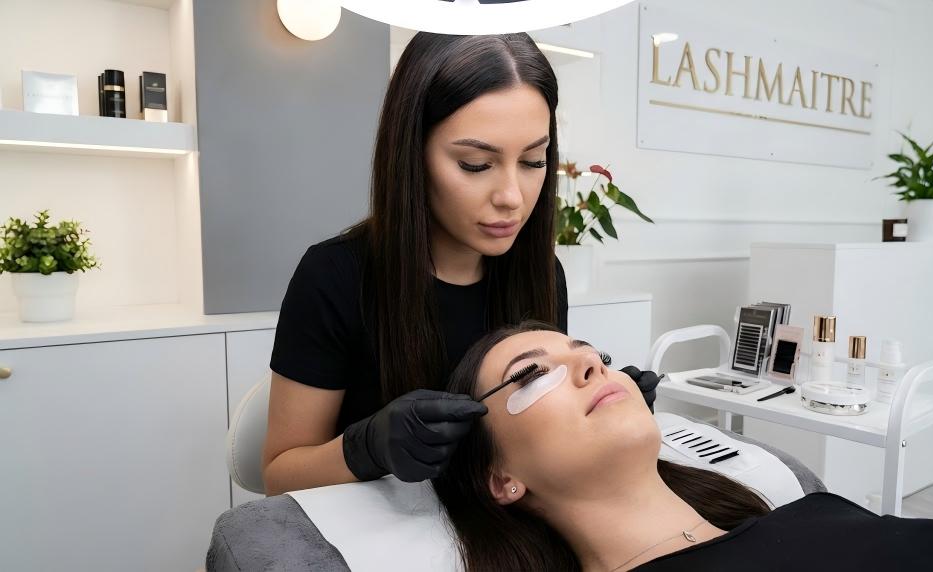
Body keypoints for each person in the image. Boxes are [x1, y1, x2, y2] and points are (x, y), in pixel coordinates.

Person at [261, 32, 661, 496]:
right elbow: (278, 476)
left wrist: (602, 409)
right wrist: (367, 447)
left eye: (533, 161)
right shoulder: (334, 277)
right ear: (412, 153)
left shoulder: (542, 273)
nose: (512, 197)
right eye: (475, 164)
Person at [433, 320, 933, 572]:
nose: (592, 363)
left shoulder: (805, 511)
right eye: (532, 374)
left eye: (592, 352)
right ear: (501, 478)